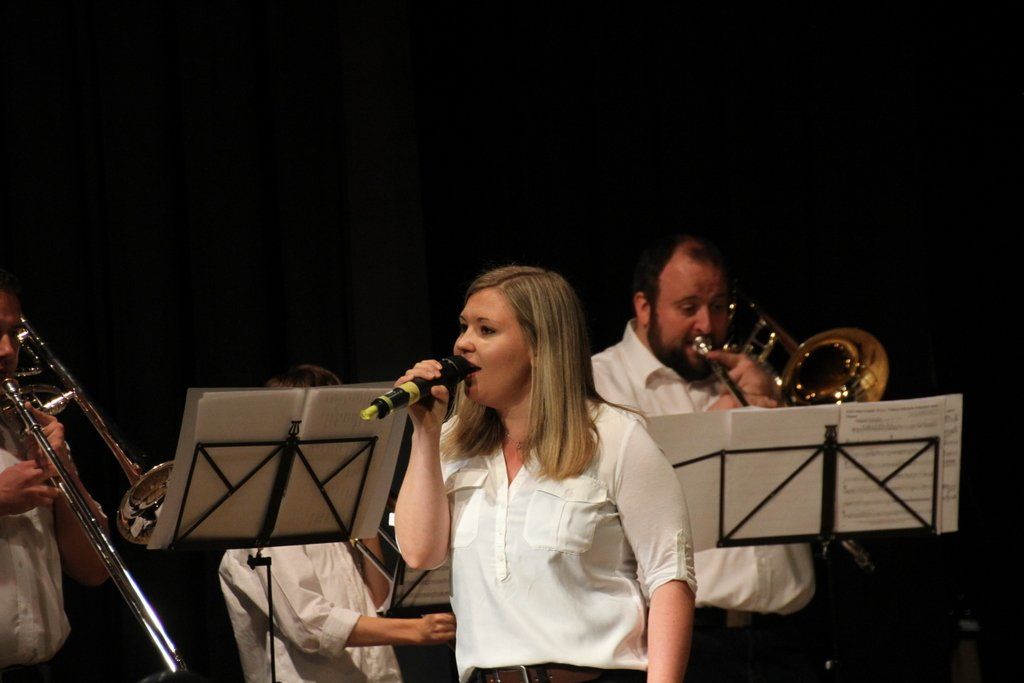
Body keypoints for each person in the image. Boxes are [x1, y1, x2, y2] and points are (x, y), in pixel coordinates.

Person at [394, 265, 697, 683]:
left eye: (486, 330)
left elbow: (670, 576)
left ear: (539, 346)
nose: (463, 343)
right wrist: (425, 433)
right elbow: (419, 553)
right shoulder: (453, 442)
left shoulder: (614, 438)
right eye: (464, 327)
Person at [591, 235, 817, 682]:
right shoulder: (601, 380)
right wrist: (724, 417)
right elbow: (629, 503)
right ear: (644, 307)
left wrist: (781, 411)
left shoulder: (748, 374)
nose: (707, 325)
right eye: (689, 307)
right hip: (684, 643)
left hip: (785, 641)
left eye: (718, 306)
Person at [218, 364, 456, 683]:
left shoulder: (326, 508)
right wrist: (418, 630)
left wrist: (363, 515)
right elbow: (309, 624)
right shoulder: (264, 520)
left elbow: (377, 600)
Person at [0, 269, 109, 678]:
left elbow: (94, 569)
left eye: (13, 334)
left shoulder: (25, 428)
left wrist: (63, 472)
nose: (7, 350)